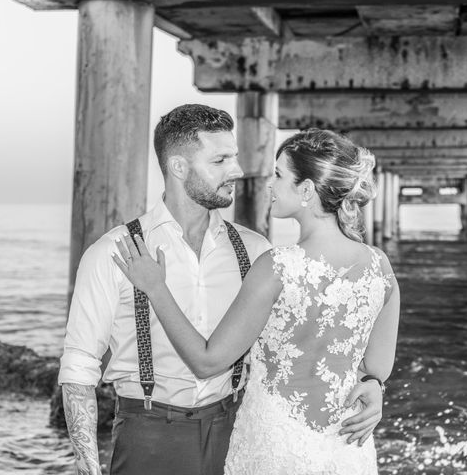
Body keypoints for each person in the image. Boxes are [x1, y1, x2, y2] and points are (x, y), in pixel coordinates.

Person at [58, 105, 385, 475]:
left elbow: (304, 344)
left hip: (238, 432)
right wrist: (87, 467)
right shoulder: (113, 252)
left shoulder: (258, 250)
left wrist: (370, 382)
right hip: (148, 436)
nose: (238, 170)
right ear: (179, 167)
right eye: (220, 160)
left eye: (234, 156)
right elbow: (79, 368)